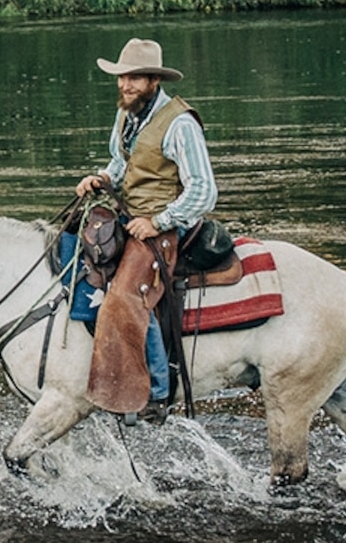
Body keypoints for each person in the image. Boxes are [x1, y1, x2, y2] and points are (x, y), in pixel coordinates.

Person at [65, 36, 232, 409]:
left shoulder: (179, 124)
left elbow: (204, 191)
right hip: (131, 214)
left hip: (169, 225)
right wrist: (101, 179)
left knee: (126, 295)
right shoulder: (127, 112)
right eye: (123, 77)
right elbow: (123, 165)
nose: (126, 85)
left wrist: (158, 222)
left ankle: (157, 390)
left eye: (136, 78)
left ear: (154, 81)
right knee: (69, 242)